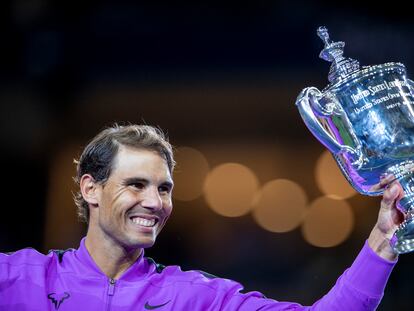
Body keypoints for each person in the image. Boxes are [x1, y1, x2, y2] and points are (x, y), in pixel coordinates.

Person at [0, 124, 404, 310]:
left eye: (164, 188)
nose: (155, 202)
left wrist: (383, 241)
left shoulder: (196, 297)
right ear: (91, 189)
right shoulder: (20, 279)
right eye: (136, 185)